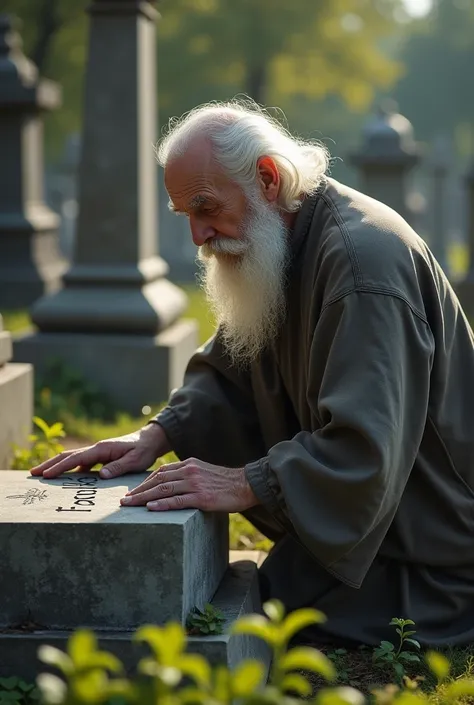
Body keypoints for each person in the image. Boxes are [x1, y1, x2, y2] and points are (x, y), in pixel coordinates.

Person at [31, 99, 474, 648]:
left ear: (267, 178)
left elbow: (366, 449)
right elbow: (235, 363)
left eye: (206, 208)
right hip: (374, 540)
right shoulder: (289, 236)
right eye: (185, 216)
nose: (197, 236)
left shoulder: (363, 268)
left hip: (432, 560)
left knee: (267, 618)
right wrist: (157, 433)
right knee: (252, 601)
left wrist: (247, 483)